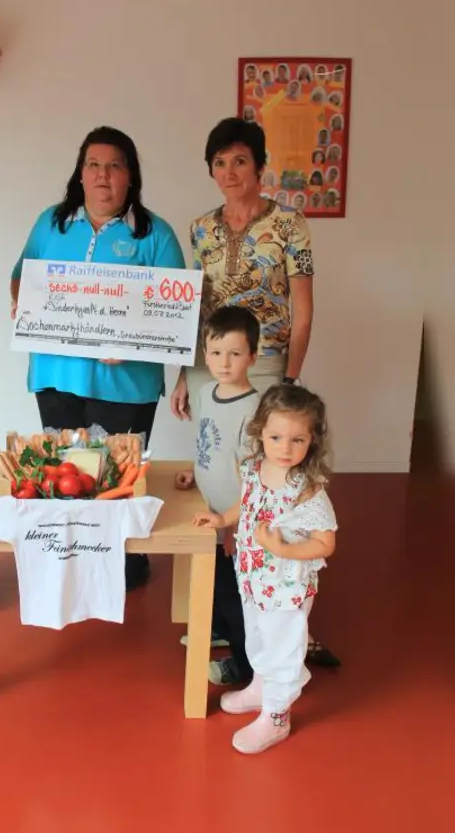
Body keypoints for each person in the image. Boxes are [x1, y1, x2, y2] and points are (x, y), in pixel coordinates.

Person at [172, 117, 339, 672]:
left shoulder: (290, 224)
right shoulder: (200, 228)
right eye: (219, 163)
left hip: (266, 362)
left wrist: (291, 377)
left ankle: (288, 615)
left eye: (239, 161)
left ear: (259, 166)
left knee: (273, 486)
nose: (229, 172)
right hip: (209, 360)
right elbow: (195, 304)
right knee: (221, 476)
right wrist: (183, 371)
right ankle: (230, 615)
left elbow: (303, 306)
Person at [10, 125, 186, 591]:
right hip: (55, 375)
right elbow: (20, 277)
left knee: (117, 480)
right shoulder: (52, 223)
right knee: (65, 473)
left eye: (115, 165)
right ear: (80, 173)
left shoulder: (154, 234)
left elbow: (175, 312)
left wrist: (133, 341)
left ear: (131, 176)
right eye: (93, 164)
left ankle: (126, 564)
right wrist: (24, 304)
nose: (103, 175)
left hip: (126, 384)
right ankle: (70, 556)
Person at [193, 383, 338, 755]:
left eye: (297, 440)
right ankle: (261, 686)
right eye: (276, 437)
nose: (285, 449)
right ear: (260, 432)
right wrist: (221, 519)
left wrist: (283, 547)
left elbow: (325, 543)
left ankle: (277, 715)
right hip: (254, 577)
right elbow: (246, 504)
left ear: (312, 442)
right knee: (256, 635)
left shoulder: (306, 490)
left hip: (286, 587)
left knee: (283, 647)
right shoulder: (253, 469)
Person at [172, 306, 263, 684]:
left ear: (253, 357)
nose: (224, 363)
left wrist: (232, 521)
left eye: (235, 354)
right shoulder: (207, 392)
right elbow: (211, 441)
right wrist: (195, 469)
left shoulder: (257, 409)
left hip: (236, 520)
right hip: (212, 511)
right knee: (216, 580)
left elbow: (257, 475)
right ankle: (222, 630)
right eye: (215, 353)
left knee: (238, 594)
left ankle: (245, 663)